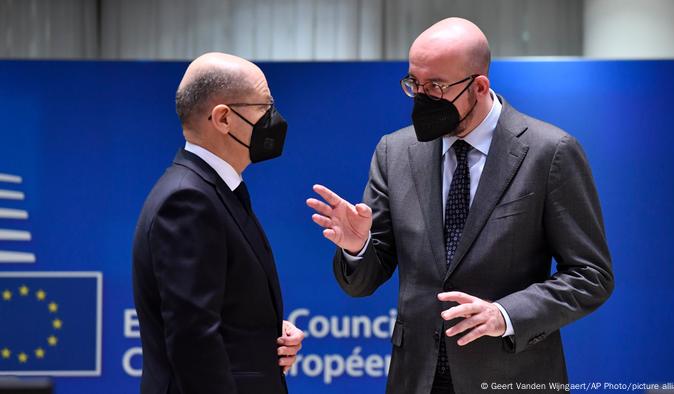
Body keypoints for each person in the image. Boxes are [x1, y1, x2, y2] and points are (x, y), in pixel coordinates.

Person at [307, 18, 614, 393]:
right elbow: (365, 281)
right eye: (413, 84)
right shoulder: (395, 152)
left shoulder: (549, 152)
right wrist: (358, 247)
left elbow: (590, 274)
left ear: (480, 85)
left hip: (513, 374)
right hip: (416, 378)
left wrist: (504, 315)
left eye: (435, 86)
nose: (421, 97)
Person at [132, 52, 303, 394]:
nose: (274, 118)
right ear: (224, 118)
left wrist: (268, 332)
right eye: (264, 107)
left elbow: (218, 314)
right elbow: (193, 340)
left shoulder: (213, 190)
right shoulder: (188, 201)